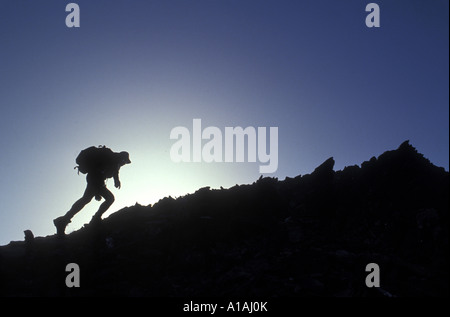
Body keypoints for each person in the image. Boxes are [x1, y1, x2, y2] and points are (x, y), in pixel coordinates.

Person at [53, 148, 131, 236]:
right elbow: (99, 172)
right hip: (95, 179)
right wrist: (98, 192)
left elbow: (114, 172)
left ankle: (63, 221)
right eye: (125, 161)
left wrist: (116, 180)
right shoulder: (111, 159)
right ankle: (94, 219)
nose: (124, 164)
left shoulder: (115, 162)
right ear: (122, 158)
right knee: (109, 199)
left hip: (95, 180)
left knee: (86, 200)